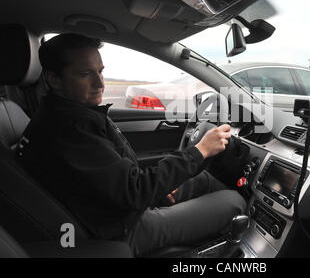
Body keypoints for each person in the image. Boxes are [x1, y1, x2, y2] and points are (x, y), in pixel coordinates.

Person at [16, 33, 246, 257]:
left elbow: (119, 181)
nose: (99, 83)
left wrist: (160, 186)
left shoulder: (61, 114)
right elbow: (133, 191)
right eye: (85, 74)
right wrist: (200, 150)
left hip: (116, 207)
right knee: (234, 201)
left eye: (100, 71)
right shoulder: (69, 127)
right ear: (54, 79)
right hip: (120, 230)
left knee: (202, 180)